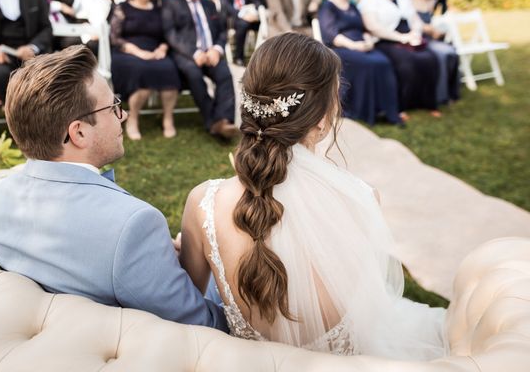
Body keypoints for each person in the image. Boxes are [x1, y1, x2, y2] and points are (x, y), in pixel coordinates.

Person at [179, 32, 447, 359]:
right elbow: (369, 308)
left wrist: (192, 250)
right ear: (321, 120)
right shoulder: (360, 199)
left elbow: (188, 303)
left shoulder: (203, 205)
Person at [0, 45, 228, 332]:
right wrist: (215, 264)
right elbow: (203, 324)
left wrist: (157, 262)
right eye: (112, 106)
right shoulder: (132, 226)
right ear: (79, 132)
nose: (122, 115)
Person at [162, 0, 238, 139]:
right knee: (194, 75)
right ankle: (213, 122)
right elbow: (170, 34)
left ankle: (225, 120)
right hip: (187, 55)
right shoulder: (171, 3)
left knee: (225, 75)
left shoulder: (209, 4)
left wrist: (217, 50)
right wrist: (195, 53)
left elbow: (222, 31)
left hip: (211, 53)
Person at [319, 0, 401, 125]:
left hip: (362, 44)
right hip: (341, 47)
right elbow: (331, 34)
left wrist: (368, 41)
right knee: (369, 64)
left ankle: (385, 110)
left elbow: (363, 28)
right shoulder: (328, 7)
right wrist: (354, 45)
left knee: (384, 62)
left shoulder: (353, 6)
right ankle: (365, 110)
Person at [359, 0, 440, 117]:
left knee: (430, 59)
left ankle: (427, 102)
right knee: (406, 64)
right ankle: (402, 105)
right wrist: (401, 38)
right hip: (386, 40)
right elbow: (372, 26)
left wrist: (415, 33)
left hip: (409, 37)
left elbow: (415, 20)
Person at [110, 0, 180, 140]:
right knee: (142, 70)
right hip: (127, 53)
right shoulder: (122, 8)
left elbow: (166, 35)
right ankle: (133, 117)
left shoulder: (158, 9)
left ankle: (168, 117)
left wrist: (162, 49)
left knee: (170, 69)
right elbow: (114, 38)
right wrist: (138, 52)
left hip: (155, 51)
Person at [404, 0, 459, 104]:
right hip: (418, 37)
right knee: (442, 54)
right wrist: (429, 30)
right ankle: (440, 96)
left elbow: (438, 16)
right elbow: (415, 23)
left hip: (433, 36)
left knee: (452, 52)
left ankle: (452, 91)